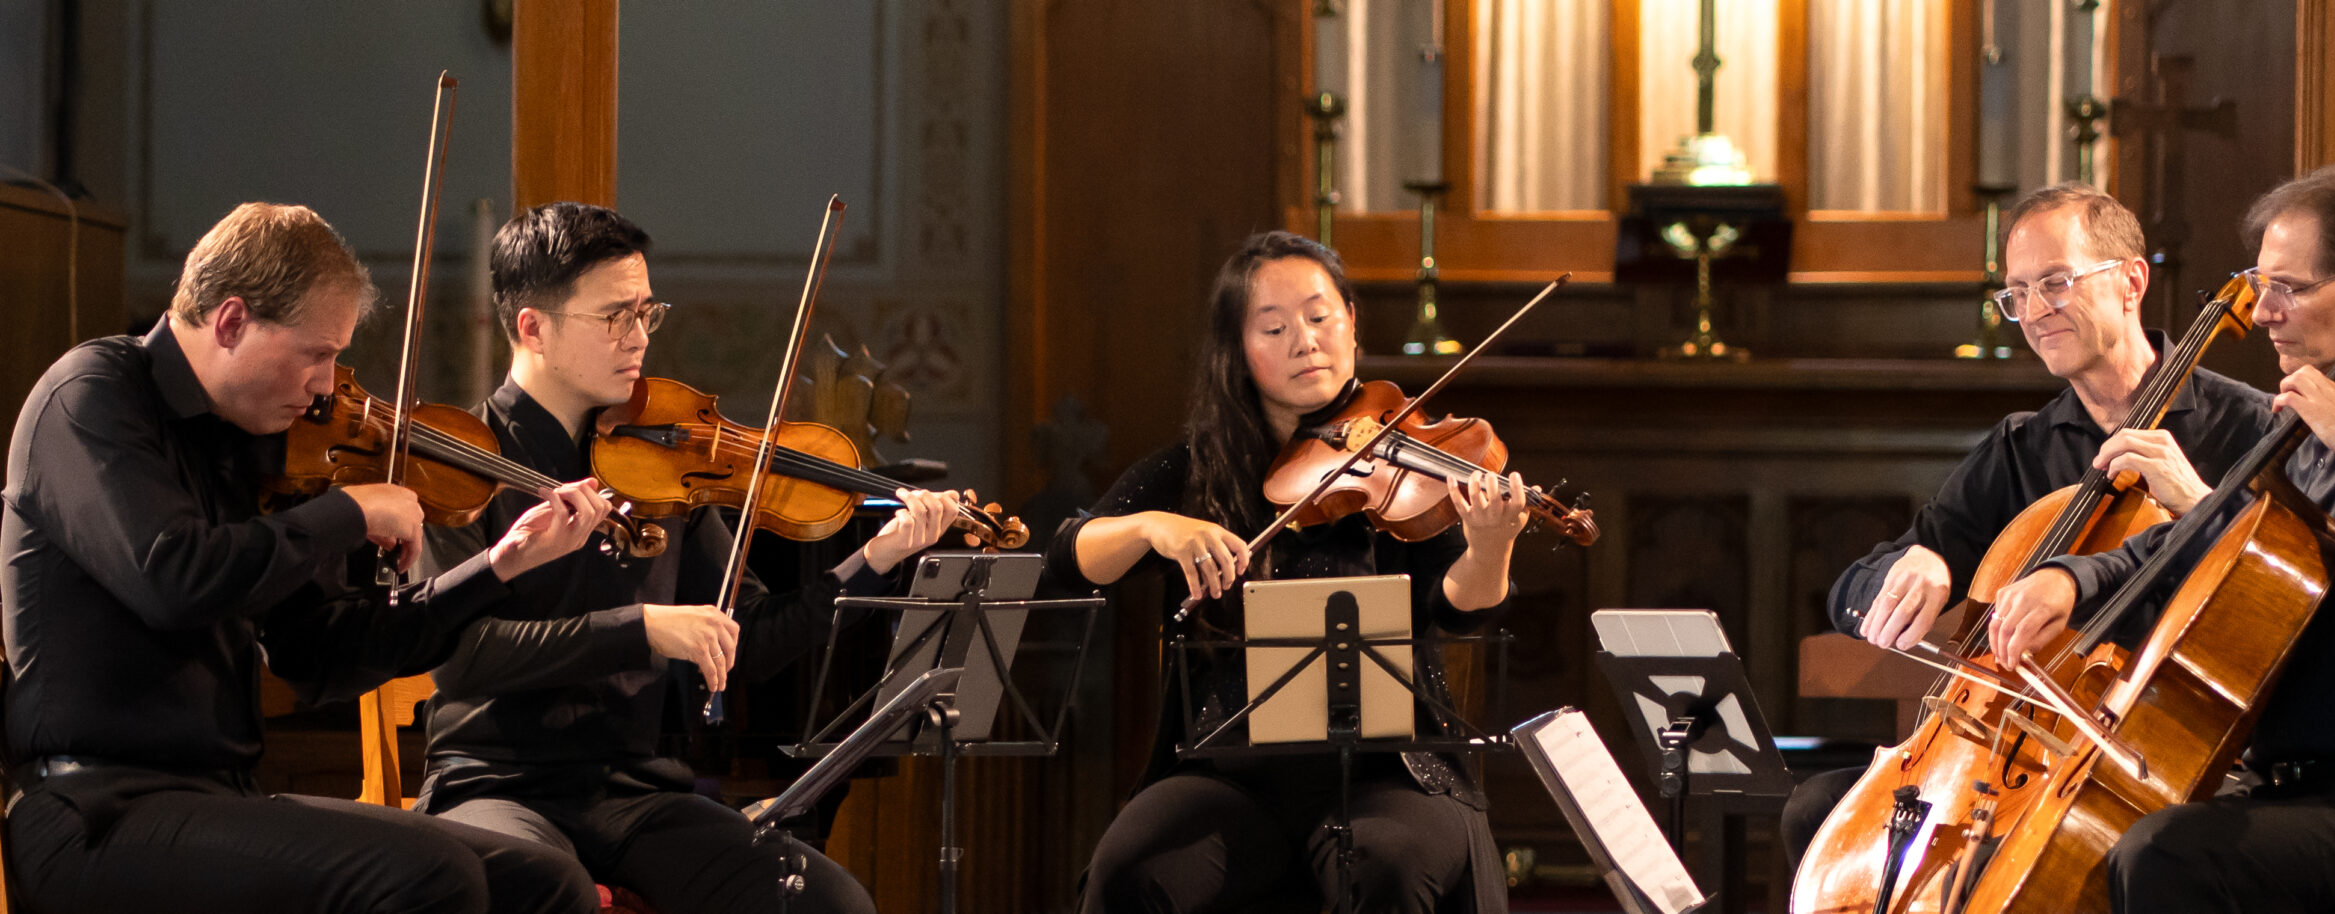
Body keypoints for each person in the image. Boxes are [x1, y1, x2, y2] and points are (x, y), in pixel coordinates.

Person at [2, 202, 610, 914]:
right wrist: (348, 513)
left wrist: (498, 566)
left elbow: (319, 655)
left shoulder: (261, 451)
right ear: (231, 322)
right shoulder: (93, 396)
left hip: (218, 800)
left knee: (546, 882)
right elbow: (173, 578)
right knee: (430, 873)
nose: (327, 385)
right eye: (316, 353)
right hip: (94, 813)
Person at [412, 201, 961, 914]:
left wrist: (877, 559)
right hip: (493, 783)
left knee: (825, 901)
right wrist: (640, 627)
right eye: (616, 317)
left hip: (634, 791)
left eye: (647, 312)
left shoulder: (667, 461)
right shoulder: (461, 462)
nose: (639, 337)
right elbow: (460, 657)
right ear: (532, 327)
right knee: (547, 890)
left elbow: (753, 638)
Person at [1990, 165, 2335, 911]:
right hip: (2286, 791)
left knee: (2167, 857)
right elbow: (2201, 541)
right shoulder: (2287, 432)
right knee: (2098, 842)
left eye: (2289, 288)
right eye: (2260, 286)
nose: (2263, 313)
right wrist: (2073, 580)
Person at [1779, 183, 2275, 864]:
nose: (2035, 312)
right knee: (1819, 813)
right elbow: (1848, 592)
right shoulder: (2021, 448)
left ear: (2131, 281)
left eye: (2056, 283)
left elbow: (2278, 598)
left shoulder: (2249, 426)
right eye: (2017, 293)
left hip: (2165, 753)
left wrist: (2202, 503)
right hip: (2011, 757)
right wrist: (1913, 567)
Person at [1048, 230, 1530, 913]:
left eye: (1319, 316)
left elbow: (1459, 605)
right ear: (1237, 351)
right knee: (1131, 868)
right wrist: (1154, 525)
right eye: (1273, 327)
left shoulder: (1404, 464)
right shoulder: (1193, 473)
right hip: (1230, 770)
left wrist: (1491, 547)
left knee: (1388, 867)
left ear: (1352, 322)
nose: (1304, 340)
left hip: (1388, 768)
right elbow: (1070, 558)